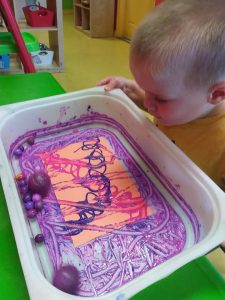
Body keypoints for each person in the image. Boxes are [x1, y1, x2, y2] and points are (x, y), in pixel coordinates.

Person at [97, 0, 225, 195]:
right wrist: (126, 87)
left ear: (217, 94)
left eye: (160, 98)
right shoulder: (184, 102)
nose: (148, 104)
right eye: (145, 89)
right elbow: (148, 100)